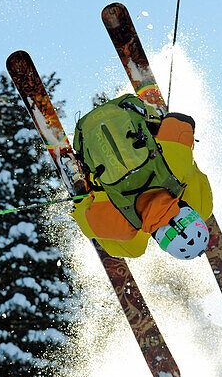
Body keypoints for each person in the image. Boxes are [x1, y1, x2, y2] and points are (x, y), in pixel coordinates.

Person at [71, 94, 213, 261]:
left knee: (203, 207)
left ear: (187, 210)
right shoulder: (121, 226)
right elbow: (83, 221)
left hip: (122, 107)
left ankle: (155, 124)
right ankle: (83, 184)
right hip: (82, 134)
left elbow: (181, 121)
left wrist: (184, 152)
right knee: (133, 249)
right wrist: (81, 202)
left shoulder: (177, 168)